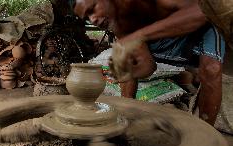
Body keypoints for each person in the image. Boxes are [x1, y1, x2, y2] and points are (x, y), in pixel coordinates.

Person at [73, 0, 225, 125]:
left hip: (199, 26)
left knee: (211, 69)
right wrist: (129, 72)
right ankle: (126, 115)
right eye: (86, 18)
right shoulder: (118, 22)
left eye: (92, 9)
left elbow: (201, 12)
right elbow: (148, 66)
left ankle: (205, 133)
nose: (92, 20)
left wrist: (139, 35)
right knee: (126, 62)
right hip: (163, 41)